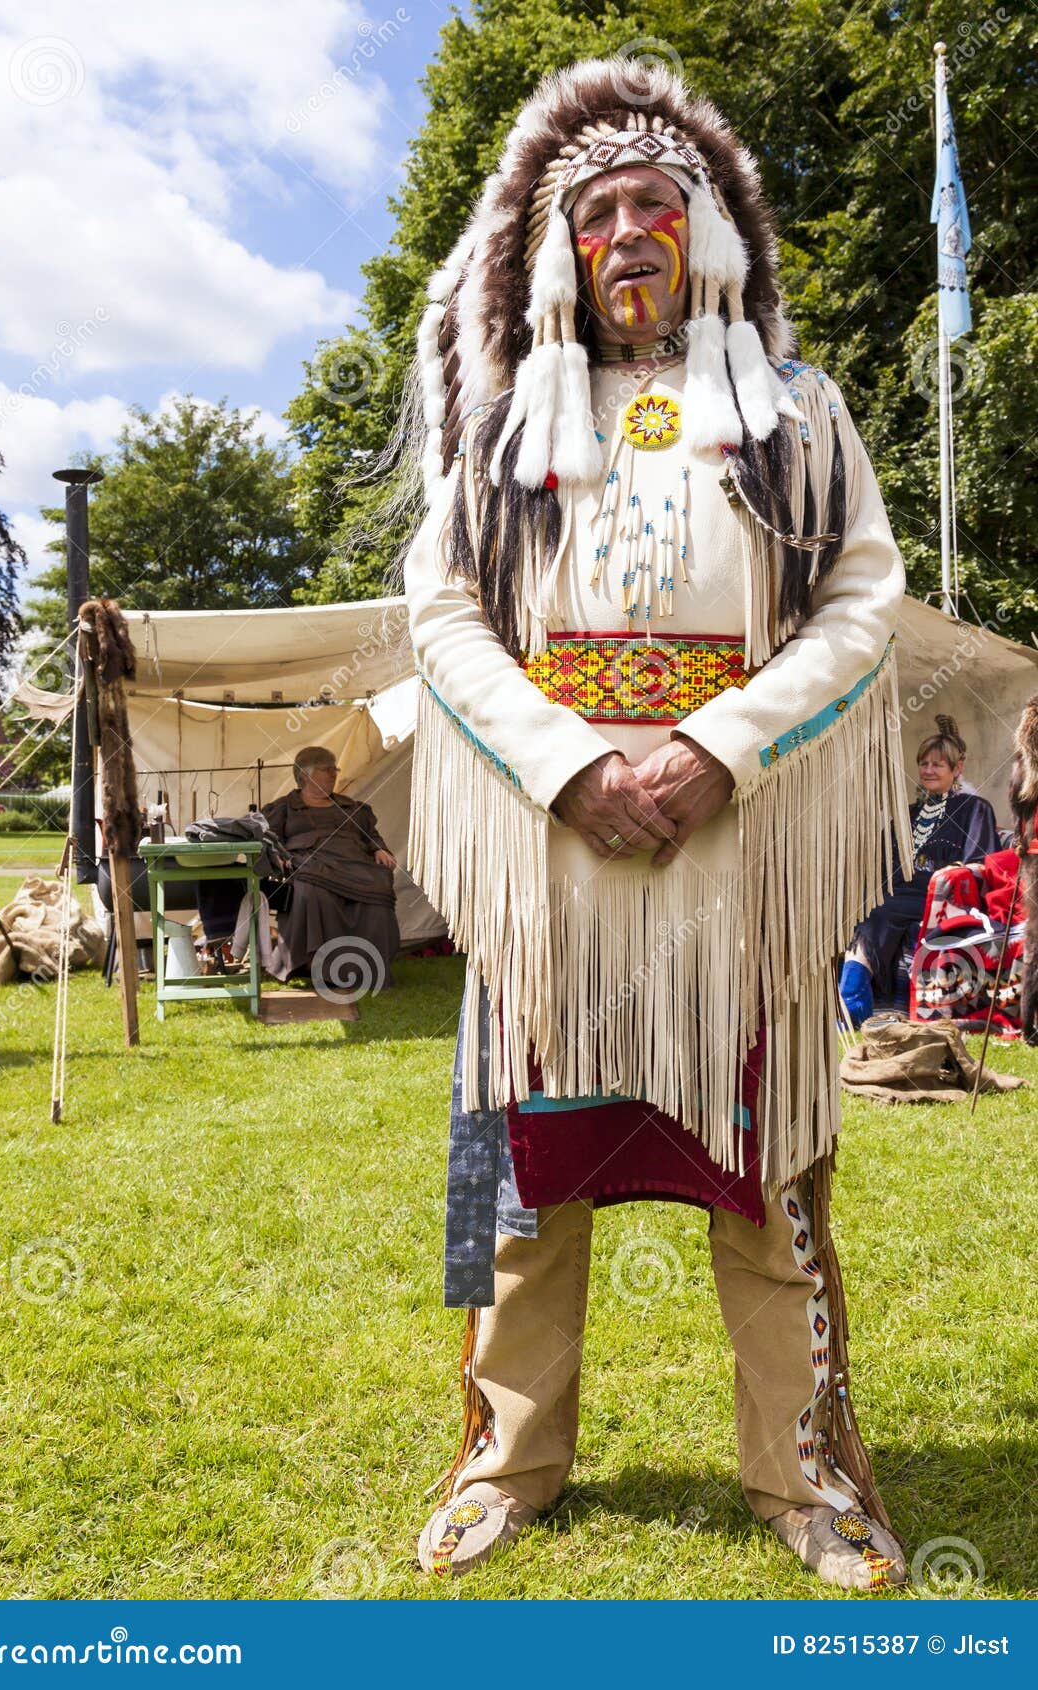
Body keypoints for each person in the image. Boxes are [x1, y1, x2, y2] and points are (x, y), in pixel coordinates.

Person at [402, 58, 913, 1588]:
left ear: (709, 241)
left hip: (730, 856)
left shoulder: (796, 416)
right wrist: (567, 762)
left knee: (767, 1174)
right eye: (599, 211)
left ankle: (805, 1478)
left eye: (655, 204)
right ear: (561, 251)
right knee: (515, 1187)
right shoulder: (501, 430)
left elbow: (864, 597)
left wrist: (717, 745)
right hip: (550, 858)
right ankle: (504, 1460)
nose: (629, 230)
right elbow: (439, 614)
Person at [841, 714, 999, 1024]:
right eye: (923, 764)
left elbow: (979, 862)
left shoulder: (974, 808)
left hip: (944, 897)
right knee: (863, 910)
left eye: (937, 765)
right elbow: (884, 862)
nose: (928, 770)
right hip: (899, 893)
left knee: (877, 915)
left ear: (956, 769)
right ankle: (852, 1004)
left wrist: (947, 880)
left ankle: (855, 1005)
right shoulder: (907, 814)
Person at [263, 746, 400, 991]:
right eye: (326, 769)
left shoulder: (351, 808)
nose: (333, 774)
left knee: (378, 889)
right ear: (305, 775)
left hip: (355, 865)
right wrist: (278, 857)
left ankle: (371, 967)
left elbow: (371, 836)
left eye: (334, 769)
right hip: (310, 866)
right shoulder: (284, 808)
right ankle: (320, 966)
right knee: (312, 891)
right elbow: (270, 841)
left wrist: (379, 849)